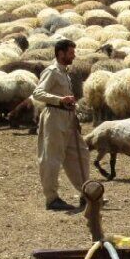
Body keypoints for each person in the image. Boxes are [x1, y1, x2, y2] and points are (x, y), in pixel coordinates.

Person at [33, 39, 90, 212]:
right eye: (71, 53)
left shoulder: (65, 72)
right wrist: (59, 100)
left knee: (80, 153)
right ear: (61, 53)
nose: (74, 56)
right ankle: (51, 198)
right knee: (52, 157)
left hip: (68, 118)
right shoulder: (52, 71)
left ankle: (86, 193)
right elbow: (38, 93)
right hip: (54, 117)